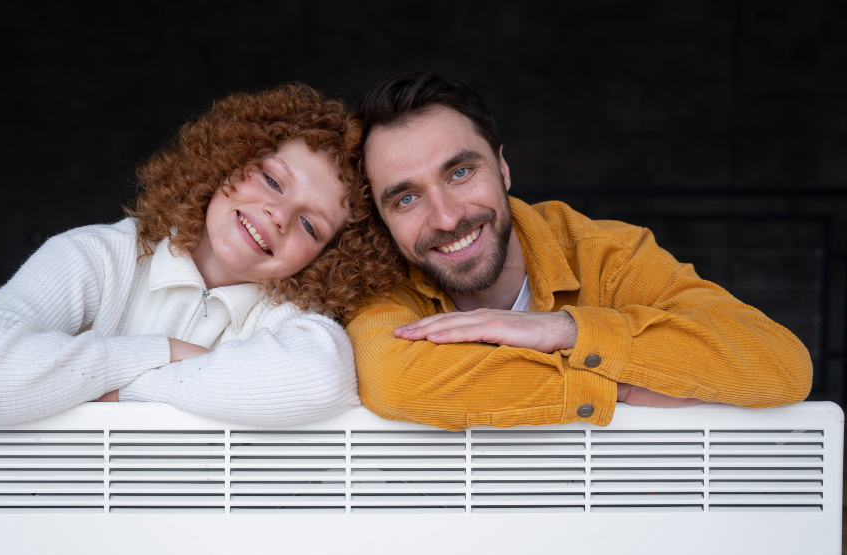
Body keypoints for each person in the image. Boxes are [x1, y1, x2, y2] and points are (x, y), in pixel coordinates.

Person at [345, 71, 813, 431]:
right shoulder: (377, 279)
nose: (446, 218)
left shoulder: (608, 254)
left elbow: (780, 362)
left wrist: (563, 330)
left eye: (461, 173)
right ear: (381, 219)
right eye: (406, 199)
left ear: (502, 168)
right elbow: (394, 382)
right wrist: (620, 386)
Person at [0, 84, 400, 426]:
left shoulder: (287, 313)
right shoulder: (99, 257)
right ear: (230, 160)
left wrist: (129, 392)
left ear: (329, 258)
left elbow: (321, 378)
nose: (278, 215)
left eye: (310, 225)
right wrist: (165, 351)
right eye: (272, 180)